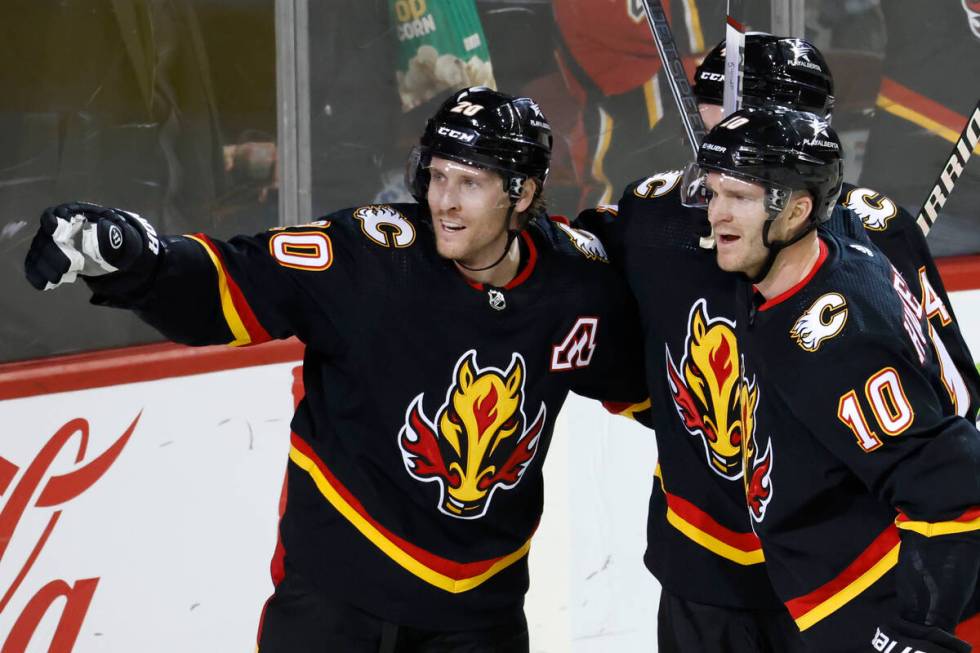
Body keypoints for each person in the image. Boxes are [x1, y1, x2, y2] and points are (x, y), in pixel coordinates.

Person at [23, 86, 648, 653]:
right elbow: (236, 280)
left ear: (524, 194)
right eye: (437, 177)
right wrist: (136, 260)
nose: (444, 204)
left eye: (471, 183)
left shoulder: (576, 284)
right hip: (337, 605)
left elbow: (650, 375)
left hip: (479, 619)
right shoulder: (371, 258)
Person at [576, 33, 980, 652]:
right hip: (707, 562)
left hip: (843, 575)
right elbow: (601, 335)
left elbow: (949, 410)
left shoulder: (871, 240)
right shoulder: (652, 220)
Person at [691, 105, 980, 652]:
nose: (717, 215)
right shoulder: (830, 247)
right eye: (714, 192)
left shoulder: (834, 338)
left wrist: (916, 634)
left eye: (742, 198)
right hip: (833, 589)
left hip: (876, 597)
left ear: (799, 209)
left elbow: (954, 484)